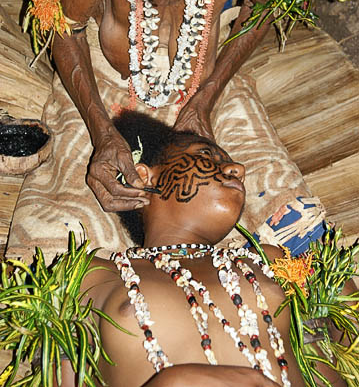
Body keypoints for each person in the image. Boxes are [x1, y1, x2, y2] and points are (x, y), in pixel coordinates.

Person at [7, 0, 325, 262]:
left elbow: (268, 2)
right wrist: (101, 131)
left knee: (288, 214)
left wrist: (207, 96)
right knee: (63, 230)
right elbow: (63, 24)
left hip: (209, 82)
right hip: (106, 84)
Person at [59, 110, 307, 387]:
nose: (237, 169)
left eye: (230, 163)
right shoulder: (87, 275)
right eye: (206, 155)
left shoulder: (271, 262)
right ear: (144, 177)